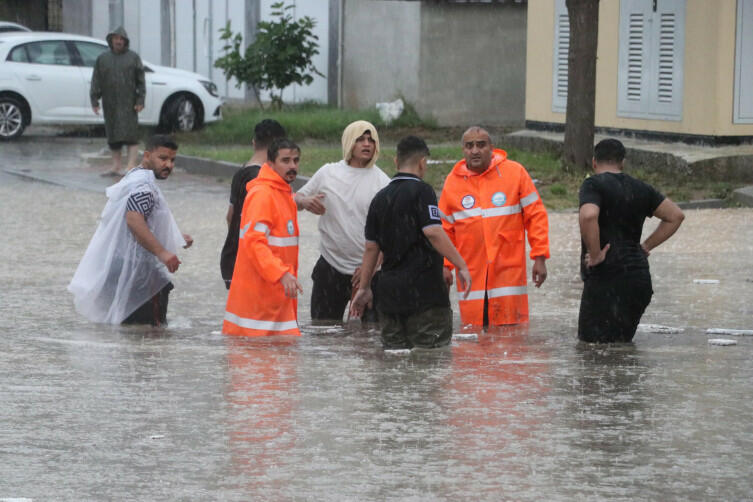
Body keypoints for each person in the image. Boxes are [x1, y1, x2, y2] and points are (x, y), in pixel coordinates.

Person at [351, 136, 472, 349]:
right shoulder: (423, 191)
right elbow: (433, 232)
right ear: (422, 163)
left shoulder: (379, 198)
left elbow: (371, 248)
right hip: (425, 297)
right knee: (430, 360)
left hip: (390, 299)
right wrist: (461, 265)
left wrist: (364, 288)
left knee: (394, 360)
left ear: (396, 162)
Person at [68, 135, 193, 326]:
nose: (169, 165)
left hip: (118, 265)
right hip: (138, 273)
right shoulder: (144, 187)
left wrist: (175, 236)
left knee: (124, 331)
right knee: (150, 333)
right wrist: (162, 252)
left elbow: (139, 219)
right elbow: (134, 220)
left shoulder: (134, 176)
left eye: (172, 160)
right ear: (147, 155)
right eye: (163, 158)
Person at [438, 126, 550, 328]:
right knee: (473, 336)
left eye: (481, 145)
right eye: (469, 146)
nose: (475, 151)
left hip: (508, 276)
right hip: (472, 276)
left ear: (491, 148)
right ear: (463, 150)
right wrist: (445, 265)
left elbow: (536, 216)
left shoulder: (515, 173)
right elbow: (445, 230)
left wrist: (539, 257)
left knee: (511, 337)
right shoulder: (452, 183)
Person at [578, 138, 684, 343]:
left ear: (594, 162)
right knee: (621, 347)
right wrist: (645, 247)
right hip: (638, 280)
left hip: (606, 277)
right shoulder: (641, 187)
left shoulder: (593, 184)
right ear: (623, 163)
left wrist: (596, 254)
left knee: (592, 349)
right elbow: (676, 216)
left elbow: (589, 216)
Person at [294, 120, 390, 322]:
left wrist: (370, 269)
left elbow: (390, 233)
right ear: (348, 143)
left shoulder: (383, 182)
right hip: (331, 266)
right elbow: (294, 199)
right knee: (324, 330)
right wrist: (305, 201)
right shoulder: (328, 173)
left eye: (371, 140)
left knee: (371, 335)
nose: (367, 144)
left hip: (370, 273)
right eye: (360, 139)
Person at [223, 138, 304, 337]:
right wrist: (281, 274)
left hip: (274, 300)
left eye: (296, 160)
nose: (292, 166)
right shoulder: (263, 195)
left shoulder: (283, 194)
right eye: (285, 160)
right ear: (270, 163)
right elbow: (254, 242)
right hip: (259, 308)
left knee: (285, 352)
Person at [221, 119, 287, 289]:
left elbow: (230, 217)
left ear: (253, 143)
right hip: (252, 265)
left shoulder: (240, 173)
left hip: (232, 259)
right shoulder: (263, 180)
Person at [90, 26, 146, 176]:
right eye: (116, 38)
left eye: (121, 39)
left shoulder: (133, 58)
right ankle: (115, 166)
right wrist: (94, 100)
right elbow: (96, 80)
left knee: (131, 135)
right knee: (113, 135)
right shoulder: (103, 59)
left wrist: (140, 100)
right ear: (111, 40)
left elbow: (141, 81)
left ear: (125, 41)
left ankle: (131, 166)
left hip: (129, 103)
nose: (118, 41)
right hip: (110, 103)